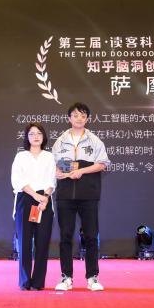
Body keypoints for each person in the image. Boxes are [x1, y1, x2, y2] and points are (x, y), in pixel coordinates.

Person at [52, 102, 110, 291]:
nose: (79, 119)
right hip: (65, 195)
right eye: (75, 115)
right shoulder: (60, 141)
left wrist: (82, 171)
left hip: (88, 195)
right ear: (69, 118)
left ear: (87, 119)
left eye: (83, 116)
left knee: (91, 236)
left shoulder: (95, 141)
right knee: (65, 236)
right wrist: (58, 172)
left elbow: (103, 164)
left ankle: (92, 277)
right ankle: (66, 277)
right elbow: (55, 165)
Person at [11, 123, 56, 290]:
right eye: (32, 134)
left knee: (42, 243)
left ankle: (38, 282)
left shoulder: (49, 157)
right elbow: (17, 180)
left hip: (45, 201)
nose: (36, 136)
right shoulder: (21, 156)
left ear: (43, 136)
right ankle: (24, 281)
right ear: (27, 137)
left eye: (39, 133)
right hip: (26, 198)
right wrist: (36, 196)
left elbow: (52, 180)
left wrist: (45, 197)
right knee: (24, 242)